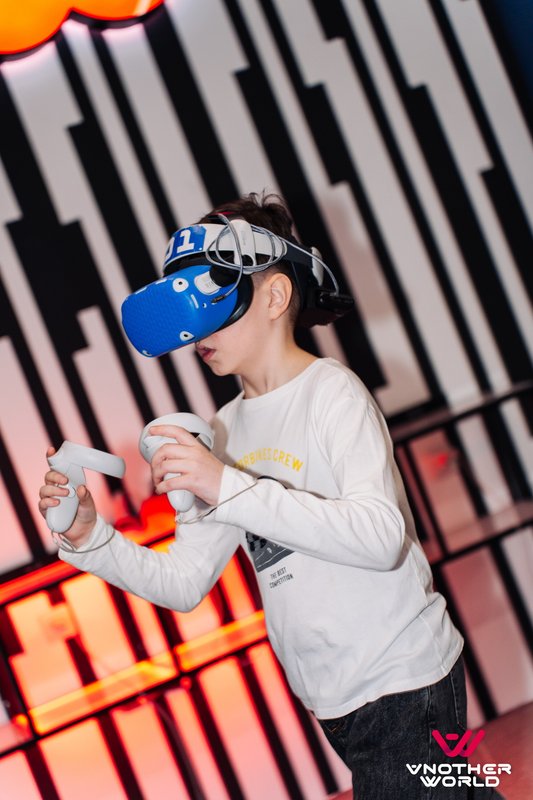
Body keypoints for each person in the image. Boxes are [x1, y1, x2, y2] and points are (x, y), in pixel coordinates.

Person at [38, 193, 502, 799]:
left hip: (402, 680)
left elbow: (382, 538)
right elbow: (184, 581)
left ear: (276, 296)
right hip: (335, 699)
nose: (198, 329)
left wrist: (223, 483)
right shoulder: (223, 430)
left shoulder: (331, 392)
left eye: (215, 297)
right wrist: (90, 539)